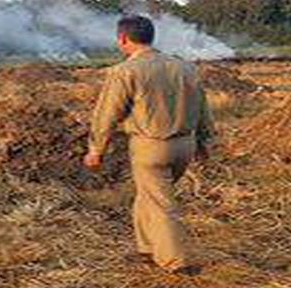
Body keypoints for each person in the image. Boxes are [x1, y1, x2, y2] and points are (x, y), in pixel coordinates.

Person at [85, 15, 215, 274]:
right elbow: (203, 108)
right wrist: (204, 143)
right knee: (149, 196)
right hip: (185, 145)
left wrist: (96, 149)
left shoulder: (125, 71)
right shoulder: (185, 67)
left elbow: (107, 114)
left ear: (122, 38)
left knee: (160, 203)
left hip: (151, 147)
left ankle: (175, 261)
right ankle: (147, 249)